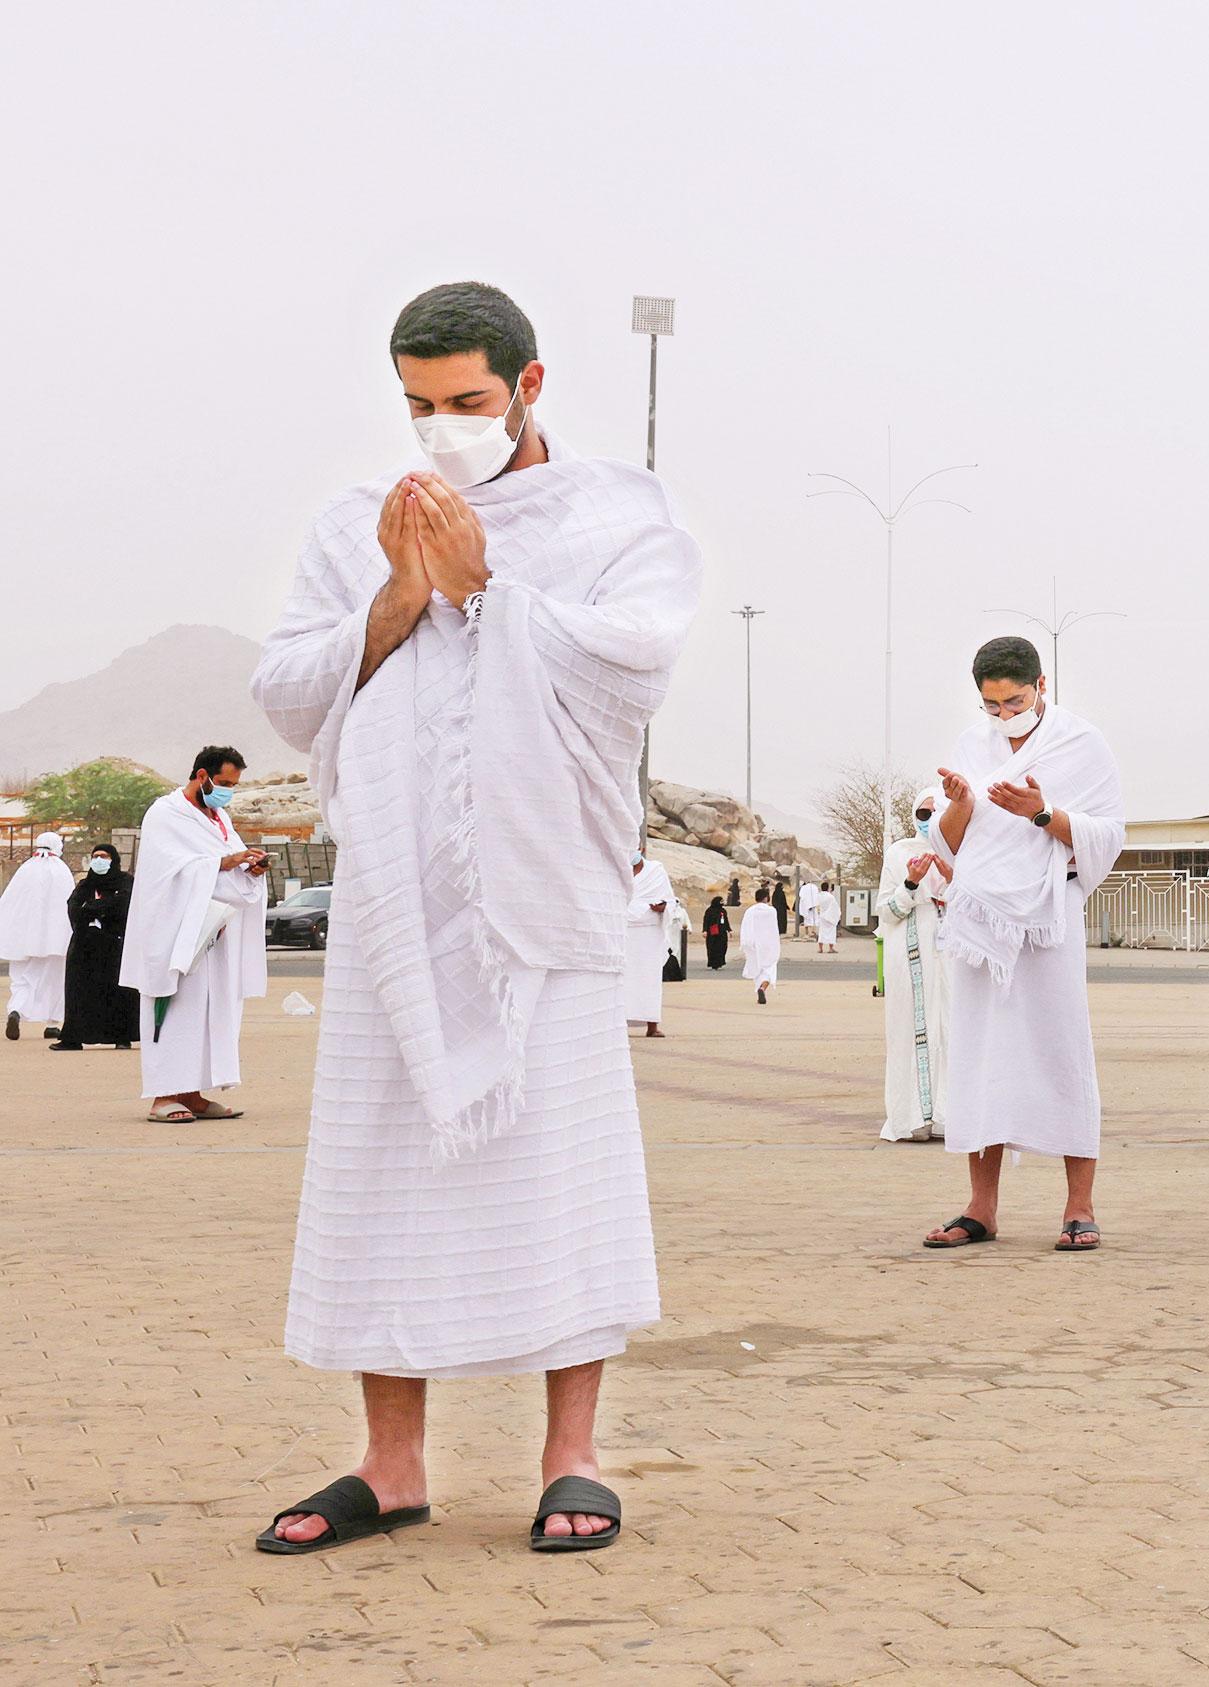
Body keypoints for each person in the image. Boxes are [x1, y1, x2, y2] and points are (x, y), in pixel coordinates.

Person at [246, 280, 702, 1554]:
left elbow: (636, 663)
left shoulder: (615, 514)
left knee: (560, 1169)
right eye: (418, 404)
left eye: (468, 402)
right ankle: (391, 1466)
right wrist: (397, 593)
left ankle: (573, 1455)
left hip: (541, 896)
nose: (442, 428)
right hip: (396, 901)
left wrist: (491, 583)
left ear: (531, 384)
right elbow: (286, 685)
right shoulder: (358, 526)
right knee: (380, 1174)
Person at [920, 636, 1125, 1254]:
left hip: (1047, 914)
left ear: (1041, 684)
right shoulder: (971, 746)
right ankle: (981, 1208)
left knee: (1060, 1049)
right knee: (983, 1055)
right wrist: (957, 805)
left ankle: (1079, 1206)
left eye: (1015, 702)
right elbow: (946, 843)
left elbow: (1108, 835)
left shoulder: (1081, 744)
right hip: (981, 917)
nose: (1005, 716)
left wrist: (1042, 813)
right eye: (993, 706)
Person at [119, 749, 272, 1122]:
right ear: (201, 775)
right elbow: (166, 873)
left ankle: (193, 1093)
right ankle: (162, 1098)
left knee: (209, 1014)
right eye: (223, 784)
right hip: (175, 937)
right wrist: (223, 862)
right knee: (176, 1012)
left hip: (213, 936)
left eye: (233, 787)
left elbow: (226, 870)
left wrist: (250, 870)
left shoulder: (219, 818)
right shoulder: (165, 814)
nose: (227, 793)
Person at [875, 794, 956, 1143]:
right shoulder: (899, 852)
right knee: (910, 1029)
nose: (930, 817)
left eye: (937, 810)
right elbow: (886, 911)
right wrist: (911, 883)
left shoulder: (962, 848)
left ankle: (949, 1117)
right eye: (924, 812)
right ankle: (912, 1119)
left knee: (953, 1029)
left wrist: (954, 881)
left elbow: (986, 903)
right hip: (910, 958)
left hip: (954, 957)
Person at [54, 843, 140, 1051]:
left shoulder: (126, 882)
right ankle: (73, 1038)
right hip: (85, 945)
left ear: (114, 859)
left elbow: (123, 905)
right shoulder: (85, 885)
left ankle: (122, 1037)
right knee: (78, 991)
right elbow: (74, 908)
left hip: (114, 944)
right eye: (95, 856)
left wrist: (92, 908)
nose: (99, 860)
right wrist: (99, 908)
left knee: (118, 991)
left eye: (104, 856)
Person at [2, 831, 73, 1042]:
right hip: (55, 940)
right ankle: (52, 1024)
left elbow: (9, 903)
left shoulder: (26, 870)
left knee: (22, 979)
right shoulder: (61, 871)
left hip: (22, 940)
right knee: (54, 980)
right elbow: (70, 905)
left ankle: (15, 1009)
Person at [622, 848, 673, 1038]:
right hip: (624, 931)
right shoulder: (618, 869)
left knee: (649, 980)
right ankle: (618, 1024)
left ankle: (652, 1026)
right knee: (622, 979)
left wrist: (663, 907)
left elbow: (670, 900)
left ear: (641, 849)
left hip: (649, 934)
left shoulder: (656, 870)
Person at [741, 886, 782, 1003]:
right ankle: (762, 988)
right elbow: (773, 928)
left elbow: (745, 927)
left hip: (754, 944)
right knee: (770, 968)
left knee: (757, 967)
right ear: (766, 898)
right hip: (768, 944)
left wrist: (745, 943)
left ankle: (759, 987)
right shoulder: (771, 910)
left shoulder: (749, 911)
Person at [701, 892, 730, 971]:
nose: (722, 903)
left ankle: (720, 962)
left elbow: (726, 921)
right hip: (712, 932)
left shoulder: (723, 911)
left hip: (722, 932)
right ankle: (714, 963)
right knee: (712, 948)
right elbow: (706, 921)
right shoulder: (709, 911)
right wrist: (705, 930)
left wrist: (729, 930)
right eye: (721, 901)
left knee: (722, 947)